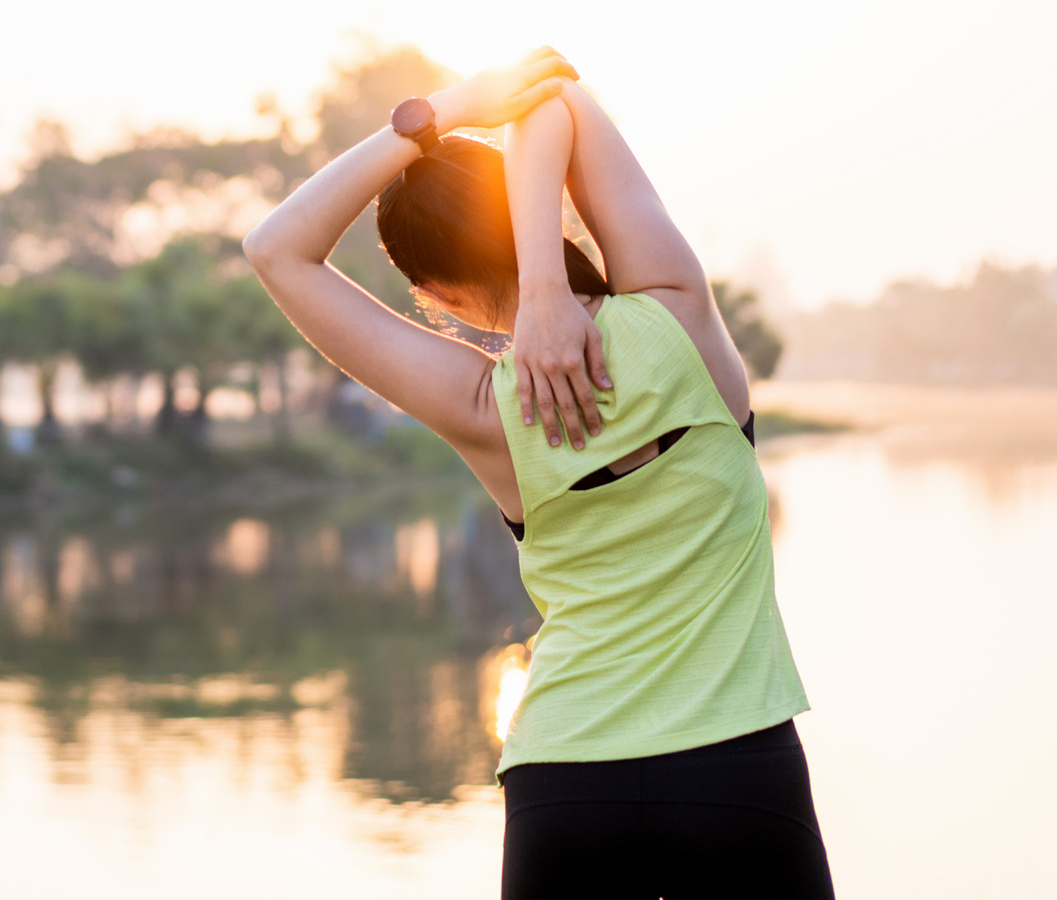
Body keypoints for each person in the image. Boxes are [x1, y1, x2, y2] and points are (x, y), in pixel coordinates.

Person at [243, 49, 836, 898]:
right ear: (546, 216)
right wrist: (550, 281)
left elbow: (276, 250)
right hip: (736, 772)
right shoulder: (678, 317)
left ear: (437, 295)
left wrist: (440, 111)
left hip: (566, 787)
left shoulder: (484, 407)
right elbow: (554, 94)